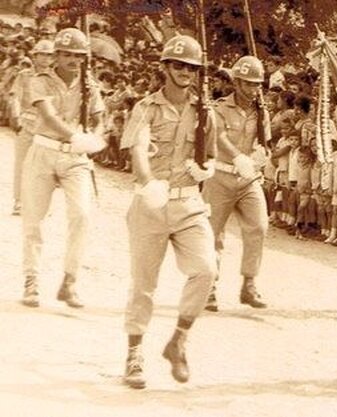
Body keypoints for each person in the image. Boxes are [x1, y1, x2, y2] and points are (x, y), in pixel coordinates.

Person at [119, 34, 217, 389]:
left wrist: (208, 170)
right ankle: (134, 353)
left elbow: (213, 156)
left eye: (191, 67)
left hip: (189, 202)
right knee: (144, 284)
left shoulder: (206, 111)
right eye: (178, 65)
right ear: (164, 68)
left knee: (206, 270)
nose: (185, 72)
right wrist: (148, 183)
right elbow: (139, 149)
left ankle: (178, 340)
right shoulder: (146, 107)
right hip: (151, 201)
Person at [21, 28, 106, 309]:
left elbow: (100, 116)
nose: (72, 59)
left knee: (82, 215)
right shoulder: (40, 80)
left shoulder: (89, 84)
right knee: (34, 219)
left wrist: (95, 136)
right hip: (45, 149)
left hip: (75, 157)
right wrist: (75, 136)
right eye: (66, 54)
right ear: (55, 55)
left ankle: (69, 281)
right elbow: (48, 115)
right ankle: (31, 279)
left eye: (78, 55)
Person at [202, 55, 270, 312]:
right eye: (249, 84)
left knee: (259, 226)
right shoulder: (219, 109)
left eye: (257, 85)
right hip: (220, 176)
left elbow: (266, 143)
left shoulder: (261, 111)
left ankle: (249, 284)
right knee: (212, 234)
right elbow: (218, 137)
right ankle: (209, 287)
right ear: (237, 82)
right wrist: (238, 157)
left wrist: (261, 157)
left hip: (248, 178)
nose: (254, 90)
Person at [7, 39, 55, 215]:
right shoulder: (24, 75)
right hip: (27, 122)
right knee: (22, 163)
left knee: (45, 167)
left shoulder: (55, 77)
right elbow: (15, 97)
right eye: (42, 54)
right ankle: (19, 201)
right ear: (35, 56)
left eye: (49, 55)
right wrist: (16, 115)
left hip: (47, 126)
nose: (46, 58)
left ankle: (42, 203)